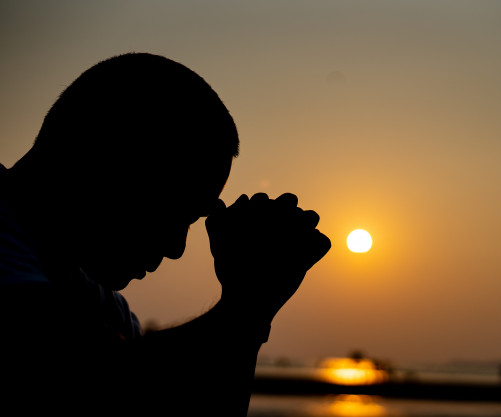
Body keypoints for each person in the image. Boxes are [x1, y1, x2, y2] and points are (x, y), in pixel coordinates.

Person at [0, 53, 331, 415]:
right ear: (102, 162)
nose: (176, 248)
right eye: (171, 211)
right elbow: (84, 380)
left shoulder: (103, 308)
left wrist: (252, 314)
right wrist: (246, 305)